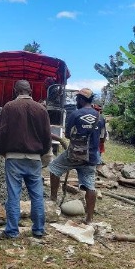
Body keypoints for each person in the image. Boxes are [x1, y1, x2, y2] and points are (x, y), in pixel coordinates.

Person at [0, 80, 51, 239]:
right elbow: (47, 136)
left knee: (13, 195)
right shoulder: (41, 109)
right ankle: (38, 230)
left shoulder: (8, 107)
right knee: (37, 196)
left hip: (13, 158)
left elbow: (1, 133)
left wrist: (2, 152)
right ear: (30, 91)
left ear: (15, 91)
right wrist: (42, 153)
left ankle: (12, 231)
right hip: (34, 159)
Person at [48, 88, 104, 225]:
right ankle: (89, 218)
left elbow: (67, 134)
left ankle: (53, 200)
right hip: (91, 157)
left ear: (80, 99)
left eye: (77, 99)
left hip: (73, 154)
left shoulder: (75, 114)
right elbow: (102, 139)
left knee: (54, 168)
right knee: (90, 186)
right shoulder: (100, 117)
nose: (76, 101)